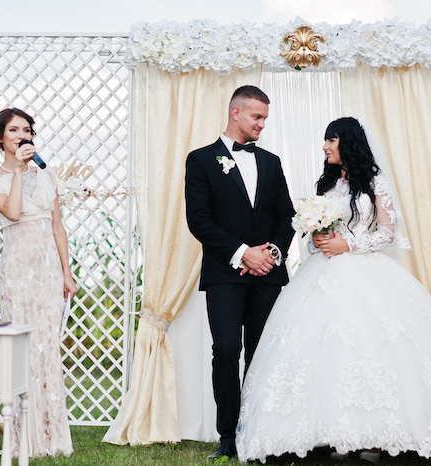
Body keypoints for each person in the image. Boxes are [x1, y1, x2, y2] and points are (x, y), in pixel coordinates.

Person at [235, 117, 431, 464]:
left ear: (346, 142)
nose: (324, 147)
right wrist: (319, 240)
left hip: (366, 271)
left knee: (372, 348)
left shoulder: (374, 182)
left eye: (330, 140)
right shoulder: (328, 185)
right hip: (322, 275)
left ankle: (375, 438)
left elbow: (388, 231)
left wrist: (348, 245)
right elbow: (317, 237)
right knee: (327, 353)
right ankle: (336, 432)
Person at [184, 86, 296, 459]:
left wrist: (272, 253)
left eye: (264, 118)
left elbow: (286, 217)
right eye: (257, 117)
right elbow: (199, 221)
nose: (262, 124)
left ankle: (261, 431)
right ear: (236, 113)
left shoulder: (271, 161)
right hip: (225, 275)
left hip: (268, 275)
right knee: (227, 349)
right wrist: (242, 254)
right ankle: (228, 436)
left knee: (262, 353)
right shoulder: (200, 160)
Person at [0, 108, 77, 458]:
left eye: (27, 129)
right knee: (23, 351)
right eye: (14, 129)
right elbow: (14, 212)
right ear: (0, 138)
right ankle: (23, 437)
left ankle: (50, 436)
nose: (22, 134)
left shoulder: (47, 176)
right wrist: (18, 171)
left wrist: (67, 272)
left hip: (48, 271)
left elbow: (57, 226)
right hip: (18, 272)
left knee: (48, 348)